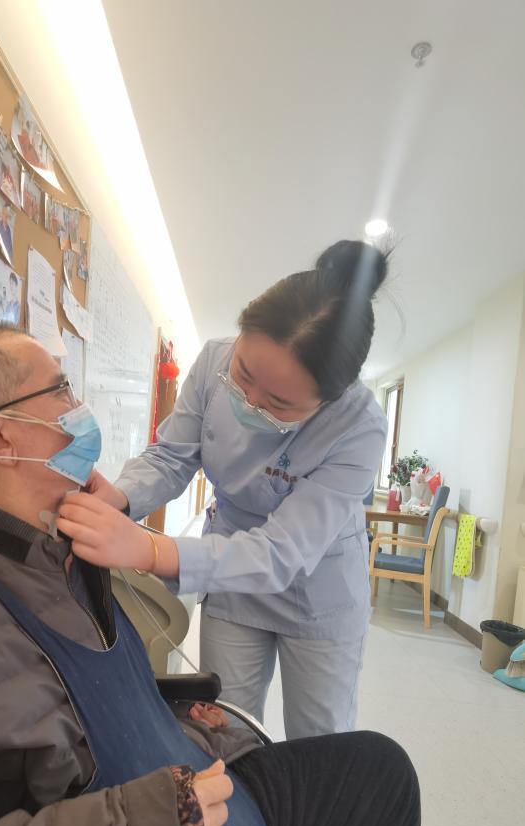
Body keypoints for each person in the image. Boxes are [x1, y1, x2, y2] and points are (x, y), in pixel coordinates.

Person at [0, 321, 505, 826]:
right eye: (61, 390)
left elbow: (99, 703)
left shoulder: (66, 551)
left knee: (382, 771)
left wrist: (179, 718)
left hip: (200, 788)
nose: (80, 407)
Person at [58, 240, 388, 740]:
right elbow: (171, 457)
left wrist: (149, 549)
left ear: (328, 401)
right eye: (244, 375)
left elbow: (281, 552)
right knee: (224, 725)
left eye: (278, 403)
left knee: (320, 736)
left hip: (317, 588)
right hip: (231, 573)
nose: (249, 403)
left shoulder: (360, 425)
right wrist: (119, 498)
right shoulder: (212, 360)